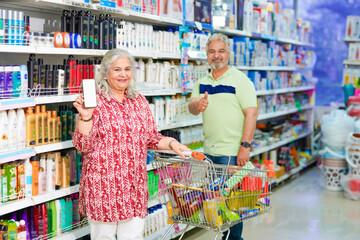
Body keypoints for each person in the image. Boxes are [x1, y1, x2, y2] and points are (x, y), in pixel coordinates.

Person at [72, 48, 190, 240]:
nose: (123, 74)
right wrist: (85, 118)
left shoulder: (139, 100)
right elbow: (82, 145)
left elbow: (150, 136)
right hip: (103, 187)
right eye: (117, 69)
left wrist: (172, 143)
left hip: (133, 186)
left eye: (127, 69)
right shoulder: (94, 102)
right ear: (105, 72)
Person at [188, 33, 258, 240]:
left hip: (231, 153)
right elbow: (192, 107)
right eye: (212, 51)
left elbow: (252, 113)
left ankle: (235, 239)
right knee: (216, 205)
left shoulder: (240, 80)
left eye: (221, 51)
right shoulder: (202, 82)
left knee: (230, 205)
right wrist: (197, 104)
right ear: (207, 55)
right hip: (209, 152)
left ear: (228, 54)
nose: (216, 56)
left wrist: (245, 147)